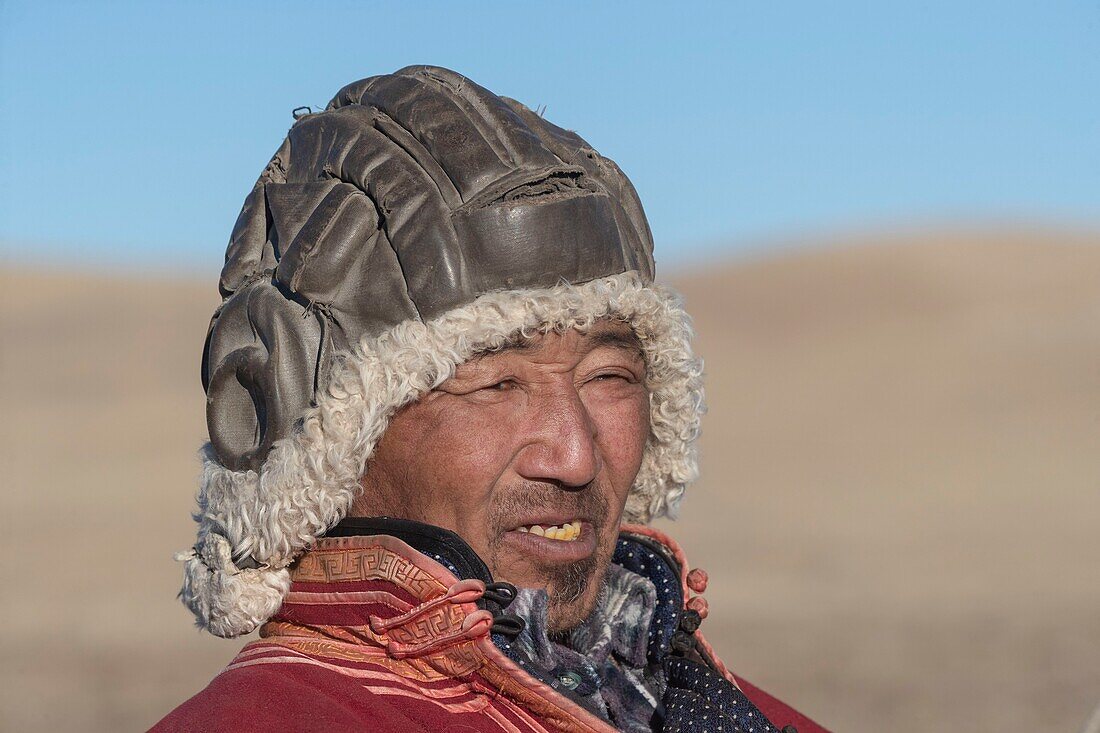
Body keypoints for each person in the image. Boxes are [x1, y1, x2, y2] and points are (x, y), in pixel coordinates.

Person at [154, 66, 827, 733]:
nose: (575, 455)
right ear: (325, 438)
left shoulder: (736, 714)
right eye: (498, 383)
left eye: (609, 376)